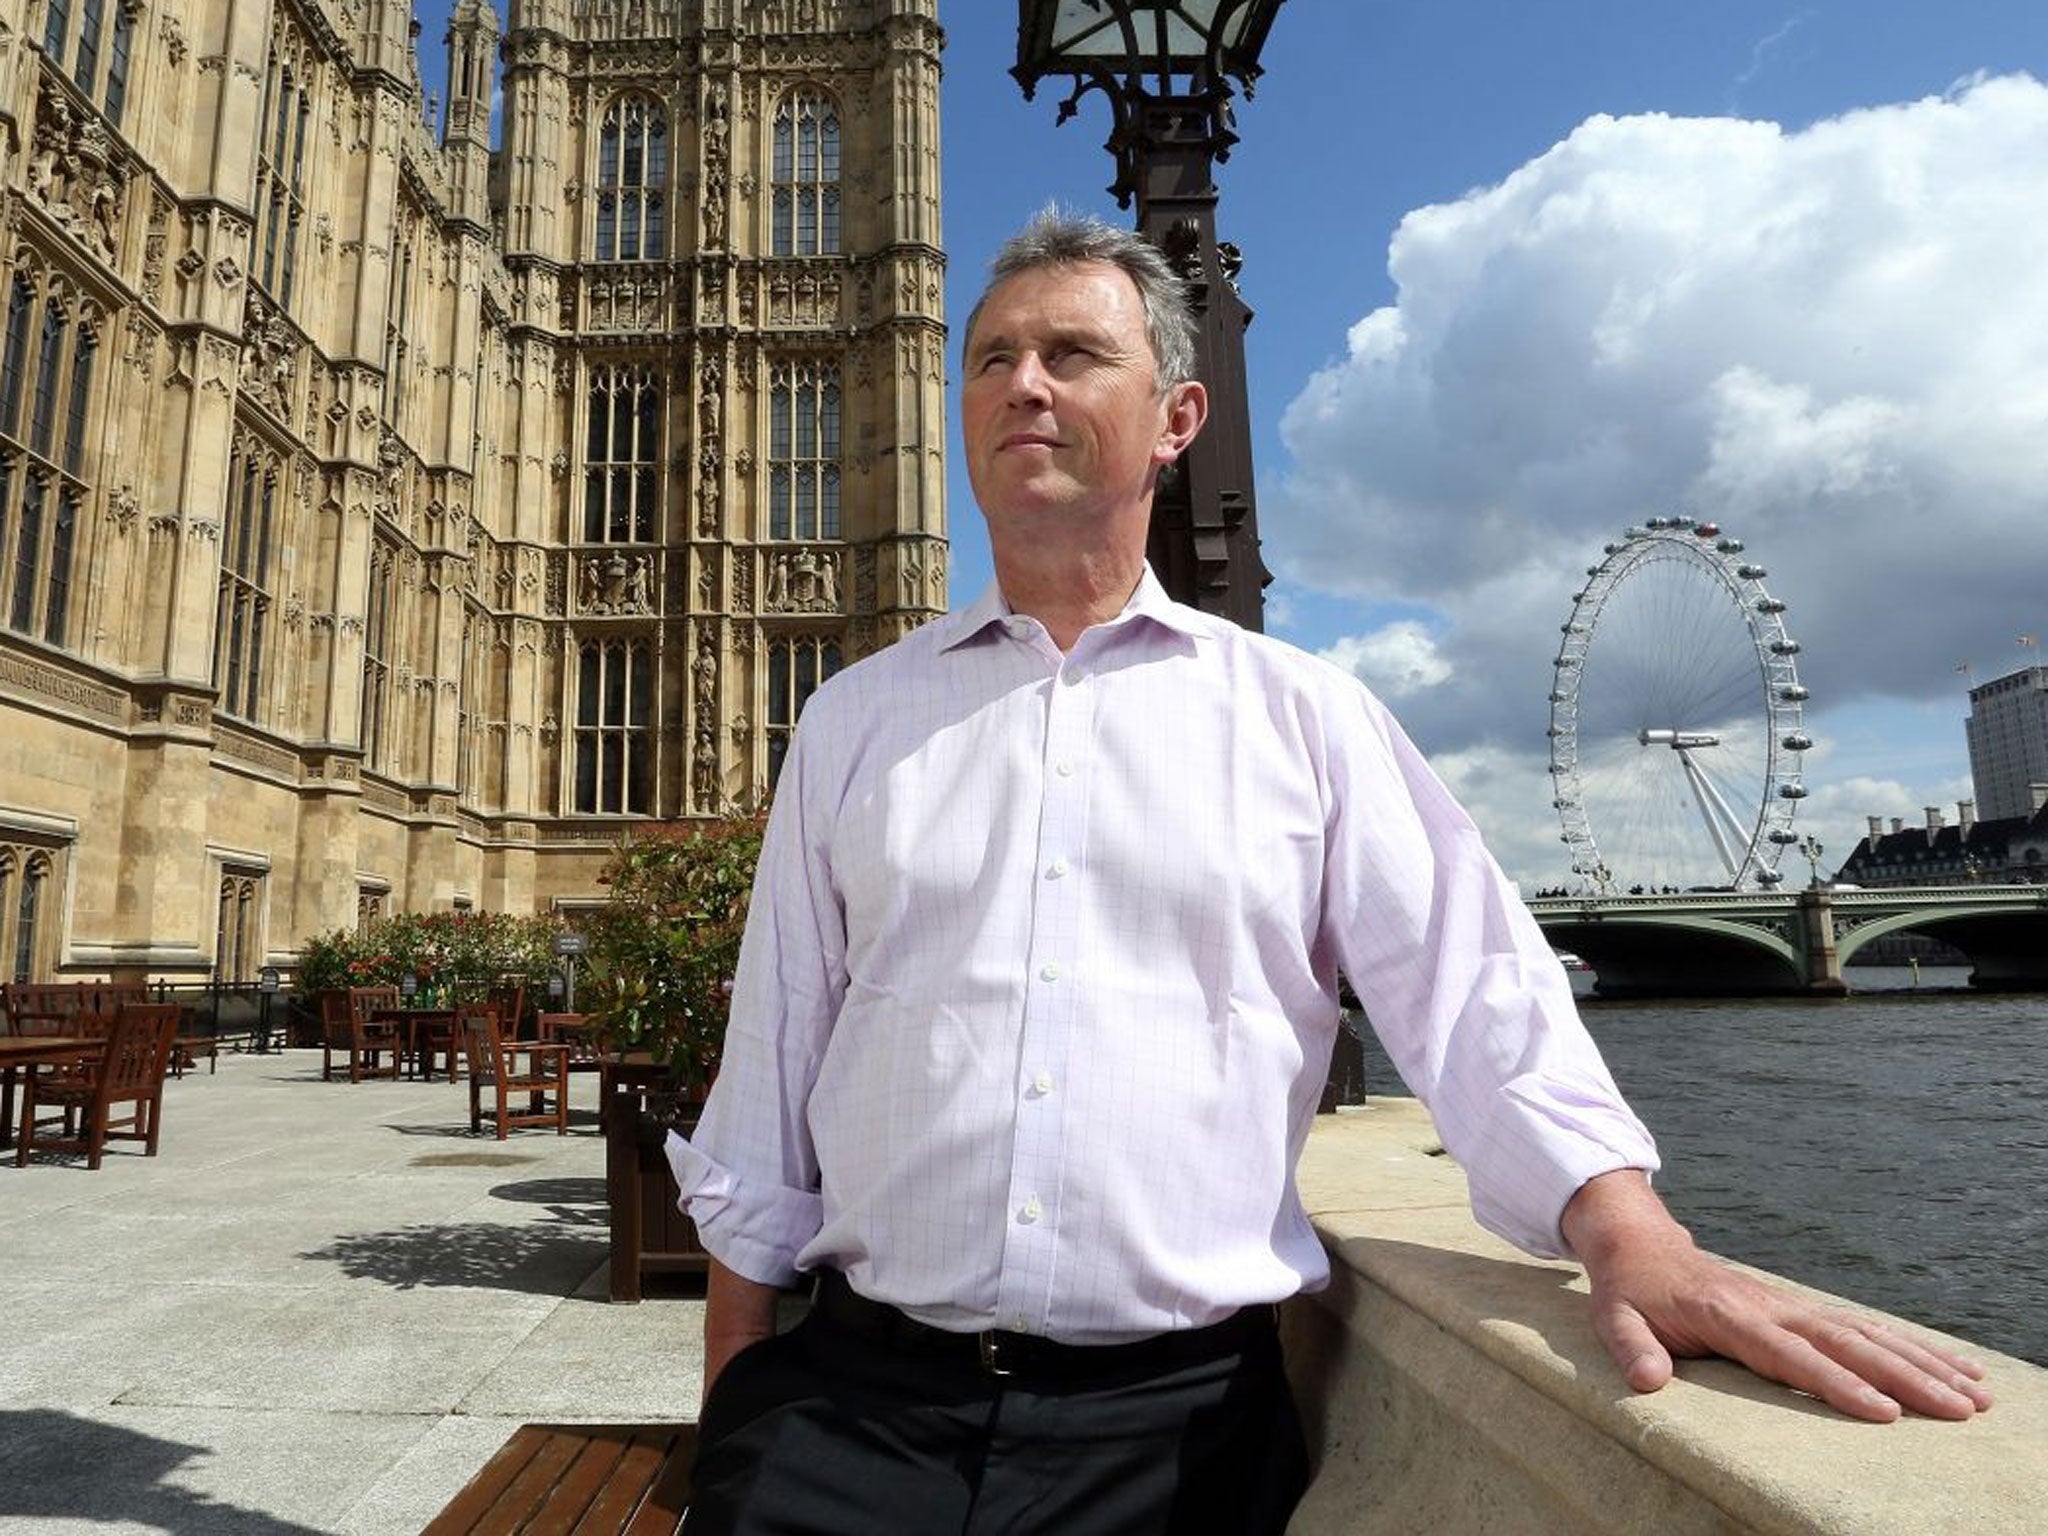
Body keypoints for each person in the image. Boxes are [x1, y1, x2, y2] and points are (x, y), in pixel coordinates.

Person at [667, 210, 1991, 1534]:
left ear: (1178, 417)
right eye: (993, 357)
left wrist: (1630, 1232)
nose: (1024, 383)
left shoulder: (1306, 718)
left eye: (1074, 354)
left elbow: (1474, 995)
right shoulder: (855, 719)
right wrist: (738, 1402)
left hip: (1171, 1440)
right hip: (849, 1409)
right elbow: (778, 1056)